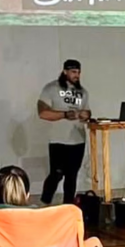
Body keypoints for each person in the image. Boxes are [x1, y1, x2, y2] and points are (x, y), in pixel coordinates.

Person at [37, 59, 91, 205]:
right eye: (73, 72)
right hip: (58, 140)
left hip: (77, 140)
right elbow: (42, 112)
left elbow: (87, 112)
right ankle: (45, 202)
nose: (76, 75)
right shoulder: (51, 88)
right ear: (65, 71)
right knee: (56, 174)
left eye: (78, 72)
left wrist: (86, 115)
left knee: (72, 176)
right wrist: (65, 114)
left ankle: (68, 206)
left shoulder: (83, 92)